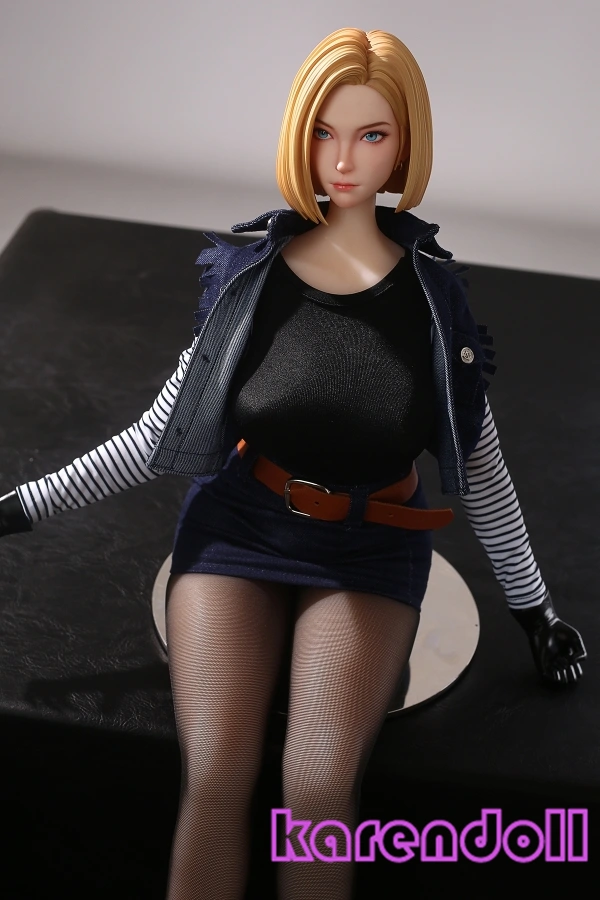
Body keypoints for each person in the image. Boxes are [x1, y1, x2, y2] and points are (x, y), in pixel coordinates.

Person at [0, 27, 586, 900]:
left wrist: (535, 612)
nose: (344, 160)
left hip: (369, 547)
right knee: (217, 774)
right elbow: (158, 435)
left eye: (371, 134)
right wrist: (18, 507)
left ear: (405, 144)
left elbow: (484, 462)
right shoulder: (251, 277)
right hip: (239, 528)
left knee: (315, 789)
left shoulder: (433, 299)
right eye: (324, 132)